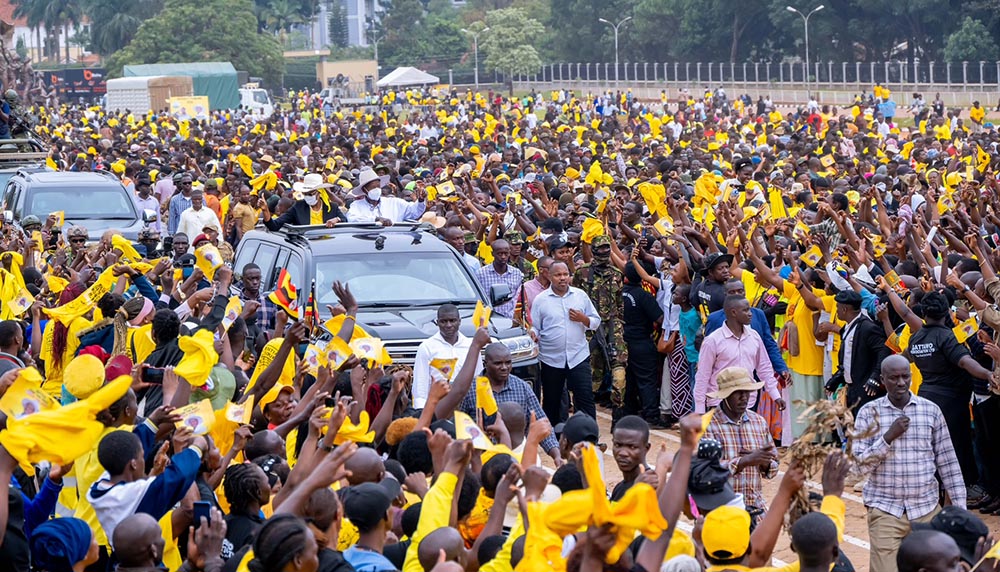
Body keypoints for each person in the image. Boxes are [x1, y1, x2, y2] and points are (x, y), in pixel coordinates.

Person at [853, 354, 967, 572]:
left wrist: (960, 511)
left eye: (905, 376)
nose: (901, 383)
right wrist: (887, 438)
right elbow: (857, 469)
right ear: (883, 380)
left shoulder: (930, 411)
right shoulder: (868, 413)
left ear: (912, 376)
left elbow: (948, 464)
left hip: (926, 510)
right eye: (894, 378)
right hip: (885, 510)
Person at [703, 366, 779, 523]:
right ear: (725, 396)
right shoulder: (708, 425)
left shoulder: (758, 422)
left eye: (747, 391)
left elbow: (774, 466)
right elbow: (706, 471)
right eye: (738, 393)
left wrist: (764, 463)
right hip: (721, 512)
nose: (744, 397)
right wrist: (744, 462)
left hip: (755, 510)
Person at [530, 261, 601, 423]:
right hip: (551, 359)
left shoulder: (580, 296)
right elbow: (535, 326)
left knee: (585, 398)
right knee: (552, 401)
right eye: (558, 275)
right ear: (549, 276)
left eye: (565, 274)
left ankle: (590, 439)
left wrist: (583, 319)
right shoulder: (541, 300)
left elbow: (596, 321)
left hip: (578, 356)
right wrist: (533, 334)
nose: (562, 278)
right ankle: (553, 440)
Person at [694, 295, 783, 414]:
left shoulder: (754, 337)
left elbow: (764, 367)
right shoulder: (713, 340)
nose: (750, 314)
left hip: (748, 402)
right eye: (745, 310)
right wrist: (699, 409)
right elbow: (702, 375)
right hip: (720, 403)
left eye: (749, 309)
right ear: (733, 313)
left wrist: (776, 396)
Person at [572, 235, 626, 409]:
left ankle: (618, 408)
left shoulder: (617, 274)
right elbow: (576, 298)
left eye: (606, 248)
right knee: (588, 371)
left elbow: (620, 306)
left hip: (612, 326)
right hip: (588, 327)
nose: (603, 252)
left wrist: (617, 326)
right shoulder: (583, 273)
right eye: (600, 248)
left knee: (619, 371)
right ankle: (581, 406)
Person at [412, 304, 481, 410]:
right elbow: (420, 387)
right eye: (444, 321)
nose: (448, 325)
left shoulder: (471, 346)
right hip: (439, 405)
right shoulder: (427, 347)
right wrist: (421, 414)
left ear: (459, 321)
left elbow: (478, 379)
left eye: (452, 320)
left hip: (468, 405)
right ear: (437, 322)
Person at [620, 262, 662, 425]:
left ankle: (628, 411)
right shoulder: (644, 295)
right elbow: (659, 318)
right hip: (642, 342)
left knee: (628, 378)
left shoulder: (619, 293)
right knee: (646, 380)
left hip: (622, 342)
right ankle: (651, 415)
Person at [263, 174, 346, 231]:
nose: (307, 197)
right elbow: (275, 225)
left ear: (319, 193)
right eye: (305, 194)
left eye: (310, 194)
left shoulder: (332, 208)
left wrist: (337, 219)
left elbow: (345, 221)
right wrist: (265, 210)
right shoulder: (298, 207)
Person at [347, 168, 427, 224]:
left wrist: (420, 200)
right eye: (373, 187)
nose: (376, 189)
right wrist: (376, 219)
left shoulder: (394, 202)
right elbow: (352, 219)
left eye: (378, 186)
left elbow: (414, 212)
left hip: (393, 243)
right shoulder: (357, 205)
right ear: (365, 190)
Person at [475, 239, 523, 319]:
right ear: (492, 253)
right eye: (500, 254)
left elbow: (518, 298)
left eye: (506, 254)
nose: (503, 257)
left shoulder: (517, 274)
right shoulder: (481, 274)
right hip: (489, 319)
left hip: (510, 319)